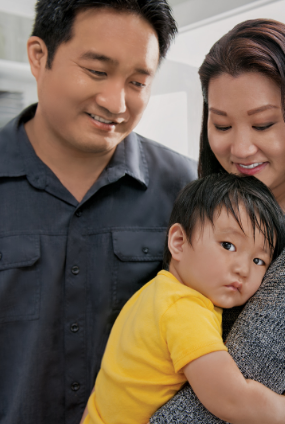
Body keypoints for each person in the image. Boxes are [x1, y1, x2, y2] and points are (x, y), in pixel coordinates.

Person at [150, 19, 285, 424]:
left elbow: (234, 391)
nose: (240, 147)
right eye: (221, 125)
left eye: (263, 124)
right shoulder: (214, 213)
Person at [0, 1, 196, 423]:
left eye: (138, 81)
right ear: (39, 56)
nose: (116, 102)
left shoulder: (188, 190)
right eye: (97, 71)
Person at [83, 173, 285, 424]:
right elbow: (231, 398)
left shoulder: (154, 293)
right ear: (179, 242)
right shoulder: (184, 310)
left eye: (258, 260)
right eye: (228, 245)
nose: (243, 269)